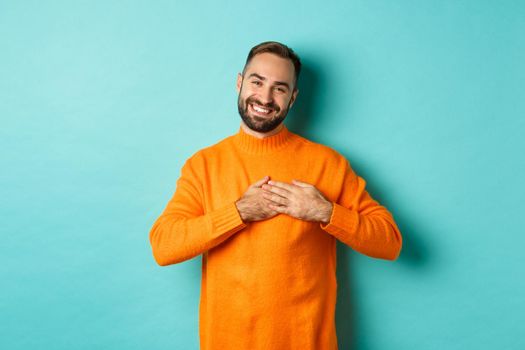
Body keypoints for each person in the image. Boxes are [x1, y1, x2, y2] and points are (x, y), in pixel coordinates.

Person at [149, 41, 402, 350]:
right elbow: (164, 246)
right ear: (240, 82)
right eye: (257, 82)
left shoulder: (328, 164)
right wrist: (239, 212)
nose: (265, 98)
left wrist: (326, 212)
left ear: (293, 98)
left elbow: (389, 243)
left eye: (280, 88)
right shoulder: (203, 165)